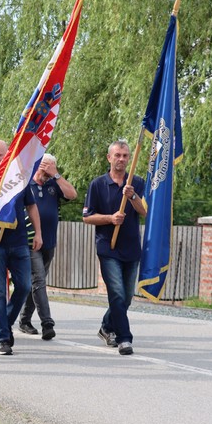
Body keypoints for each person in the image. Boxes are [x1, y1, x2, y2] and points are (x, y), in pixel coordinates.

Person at [0, 139, 44, 355]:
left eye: (0, 155)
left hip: (18, 240)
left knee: (24, 286)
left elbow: (31, 205)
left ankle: (5, 321)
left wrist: (38, 233)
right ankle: (3, 338)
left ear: (8, 155)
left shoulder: (19, 175)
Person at [82, 139, 147, 356]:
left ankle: (106, 326)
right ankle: (124, 338)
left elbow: (145, 211)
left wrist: (132, 196)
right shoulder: (98, 184)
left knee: (126, 297)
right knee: (117, 293)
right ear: (109, 158)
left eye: (125, 156)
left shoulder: (136, 182)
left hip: (131, 247)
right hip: (108, 248)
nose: (121, 159)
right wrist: (110, 218)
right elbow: (87, 217)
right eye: (117, 155)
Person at [19, 153, 77, 340]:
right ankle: (47, 323)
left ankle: (24, 320)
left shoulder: (54, 184)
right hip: (30, 240)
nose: (46, 172)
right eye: (44, 167)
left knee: (37, 283)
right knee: (39, 280)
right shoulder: (26, 184)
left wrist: (56, 175)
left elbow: (72, 195)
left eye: (50, 167)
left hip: (49, 241)